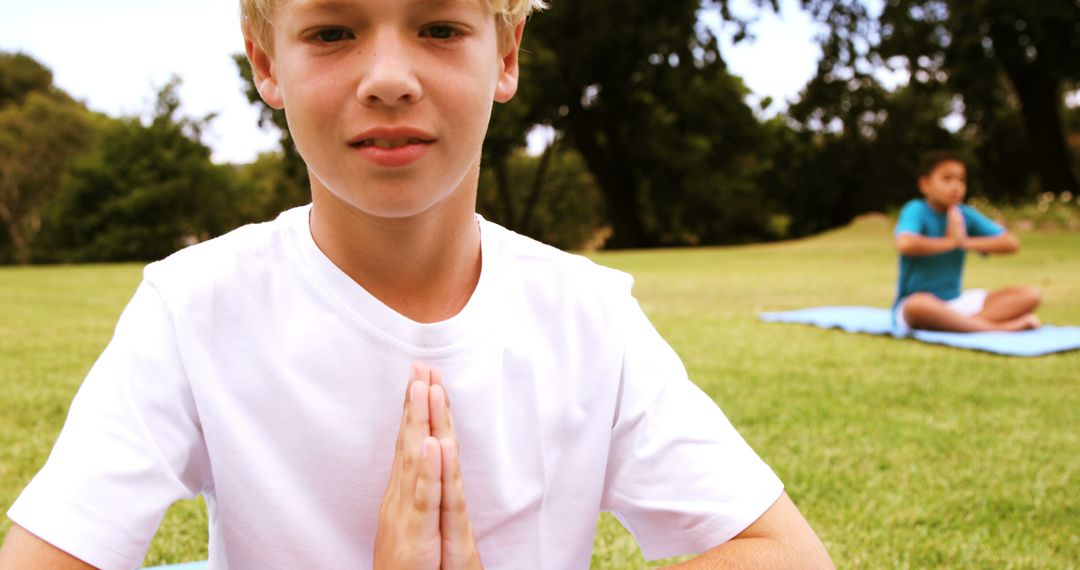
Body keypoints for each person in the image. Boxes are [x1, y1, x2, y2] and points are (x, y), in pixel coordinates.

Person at [0, 0, 833, 568]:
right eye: (332, 33)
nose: (389, 77)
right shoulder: (194, 310)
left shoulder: (587, 319)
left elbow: (786, 553)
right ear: (267, 64)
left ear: (505, 55)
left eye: (438, 25)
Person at [894, 150, 1041, 333]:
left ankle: (963, 324)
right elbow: (906, 244)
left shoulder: (963, 215)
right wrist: (950, 242)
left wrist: (963, 242)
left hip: (957, 302)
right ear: (925, 185)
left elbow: (1011, 243)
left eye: (961, 180)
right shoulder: (916, 209)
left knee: (1030, 294)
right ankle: (999, 328)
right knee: (917, 306)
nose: (955, 186)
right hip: (918, 303)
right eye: (947, 179)